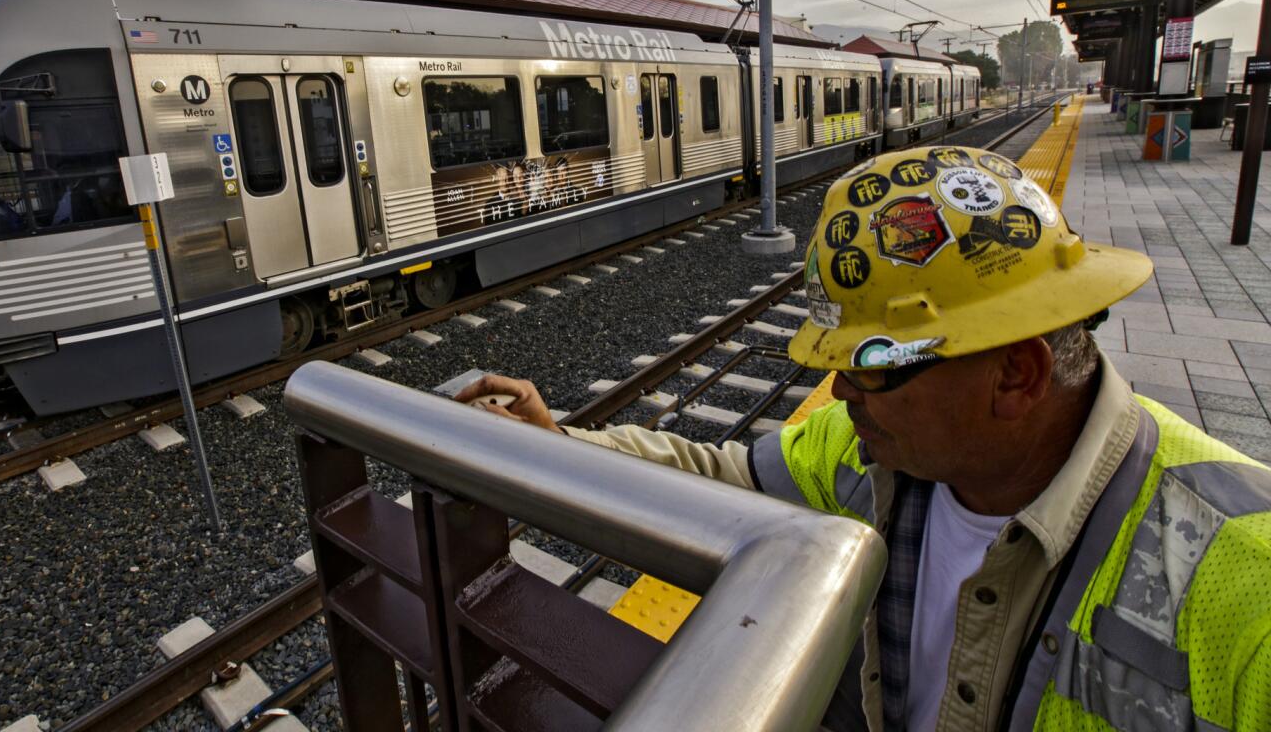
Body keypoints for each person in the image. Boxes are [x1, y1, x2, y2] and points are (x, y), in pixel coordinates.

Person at [457, 145, 1271, 731]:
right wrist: (557, 440)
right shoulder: (876, 457)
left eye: (873, 368)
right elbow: (722, 475)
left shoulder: (1244, 581)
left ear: (1017, 376)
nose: (840, 392)